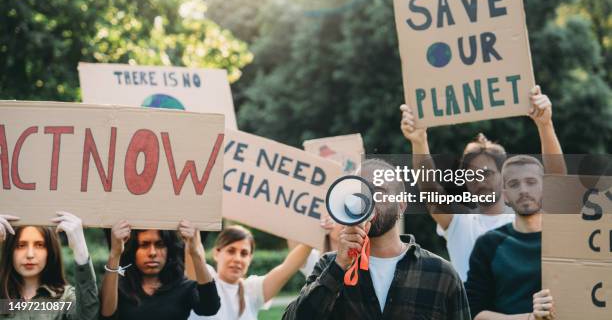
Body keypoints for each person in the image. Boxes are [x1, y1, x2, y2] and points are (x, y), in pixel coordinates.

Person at [400, 85, 566, 281]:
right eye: (472, 175)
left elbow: (558, 182)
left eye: (487, 173)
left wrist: (545, 125)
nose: (480, 180)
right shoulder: (459, 222)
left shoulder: (528, 217)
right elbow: (430, 192)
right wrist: (419, 142)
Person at [283, 159, 471, 320]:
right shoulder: (329, 265)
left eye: (379, 191)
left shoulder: (441, 274)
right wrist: (338, 267)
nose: (369, 200)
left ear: (401, 206)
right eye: (362, 192)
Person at [465, 155, 555, 319]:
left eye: (531, 182)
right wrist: (530, 318)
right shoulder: (488, 244)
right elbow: (474, 313)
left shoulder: (566, 241)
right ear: (505, 195)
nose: (523, 190)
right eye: (514, 184)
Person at [100, 219, 220, 319]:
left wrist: (195, 253)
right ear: (133, 250)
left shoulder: (183, 287)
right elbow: (106, 314)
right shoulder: (118, 288)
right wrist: (115, 253)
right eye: (144, 245)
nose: (152, 253)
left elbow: (210, 308)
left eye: (160, 244)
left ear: (169, 250)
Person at [189, 225, 313, 320]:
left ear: (250, 258)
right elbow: (193, 254)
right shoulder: (203, 279)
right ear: (217, 253)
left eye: (244, 253)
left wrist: (315, 234)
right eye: (231, 251)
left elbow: (287, 268)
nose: (237, 259)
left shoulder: (252, 290)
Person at [0, 211, 98, 320]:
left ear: (50, 250)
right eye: (21, 245)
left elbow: (88, 316)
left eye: (39, 245)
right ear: (10, 249)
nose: (30, 255)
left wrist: (80, 246)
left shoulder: (65, 299)